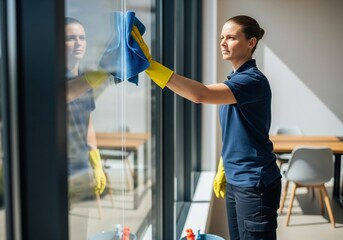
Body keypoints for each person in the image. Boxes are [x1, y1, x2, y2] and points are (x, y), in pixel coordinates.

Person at [132, 15, 281, 240]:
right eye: (221, 37)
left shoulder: (252, 80)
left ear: (251, 43)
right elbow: (239, 131)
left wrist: (152, 67)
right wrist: (225, 164)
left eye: (231, 37)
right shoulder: (235, 79)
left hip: (254, 184)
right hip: (236, 178)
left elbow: (201, 94)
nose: (222, 42)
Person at [65, 17, 107, 197]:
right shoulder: (52, 75)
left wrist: (96, 161)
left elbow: (88, 123)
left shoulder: (84, 79)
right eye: (71, 38)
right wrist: (100, 75)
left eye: (82, 38)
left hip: (80, 163)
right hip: (55, 162)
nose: (78, 43)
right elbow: (64, 93)